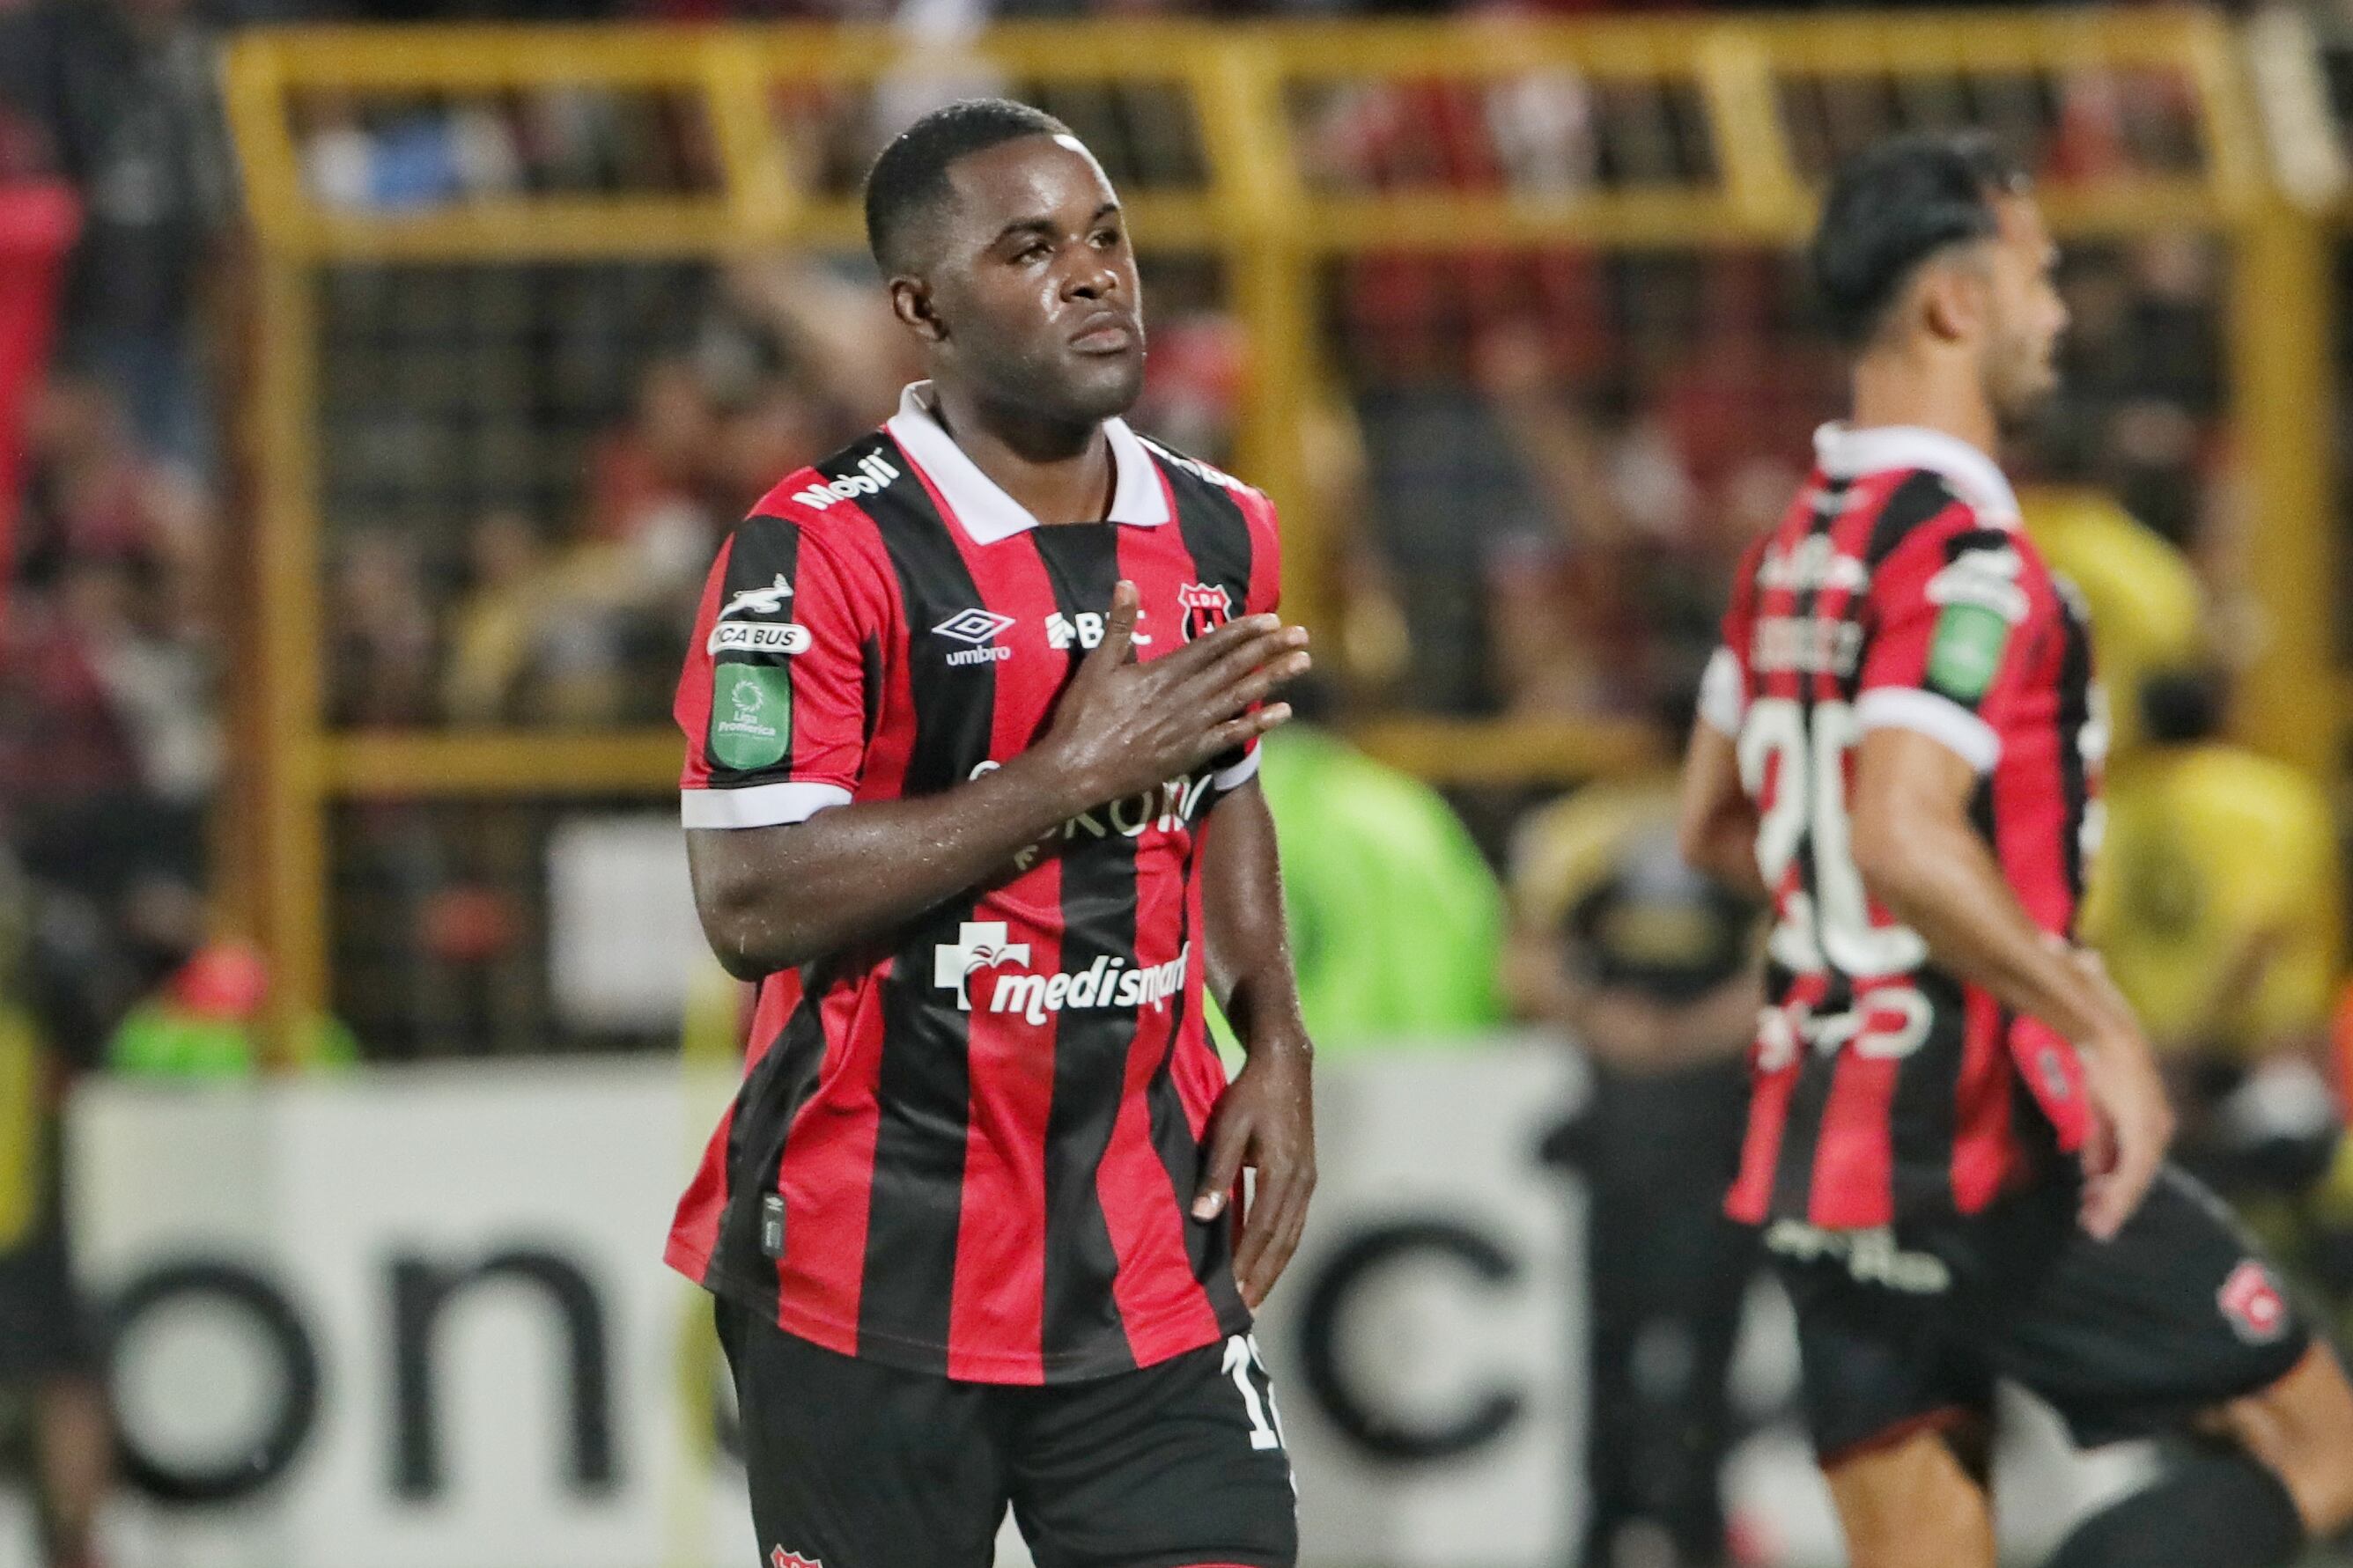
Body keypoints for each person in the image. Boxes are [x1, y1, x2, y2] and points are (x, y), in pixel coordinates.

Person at [1672, 132, 2353, 1568]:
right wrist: (2092, 1022)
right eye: (2038, 277)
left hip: (1814, 1132)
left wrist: (1858, 939)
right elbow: (1897, 829)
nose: (2055, 314)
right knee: (2320, 1446)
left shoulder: (1794, 546)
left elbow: (1720, 825)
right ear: (1955, 303)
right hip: (1980, 1126)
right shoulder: (1962, 549)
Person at [664, 99, 1313, 1568]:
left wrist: (1274, 1031)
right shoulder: (813, 550)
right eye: (1028, 250)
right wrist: (1066, 776)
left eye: (1105, 238)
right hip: (866, 1269)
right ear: (922, 310)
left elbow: (1225, 787)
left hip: (1143, 1255)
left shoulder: (1223, 530)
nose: (1092, 275)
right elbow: (750, 898)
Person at [1510, 781, 1759, 1568]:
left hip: (1707, 1134)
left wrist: (1641, 1029)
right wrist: (1640, 1025)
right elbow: (1528, 961)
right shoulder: (1590, 832)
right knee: (1632, 1344)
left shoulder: (1591, 828)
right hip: (1640, 1135)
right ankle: (1628, 1525)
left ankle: (1681, 1525)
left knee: (1690, 1347)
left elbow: (1528, 961)